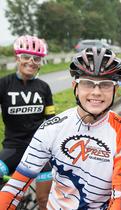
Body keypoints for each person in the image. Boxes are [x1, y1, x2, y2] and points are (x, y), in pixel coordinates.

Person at [0, 47, 121, 209]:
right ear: (75, 86)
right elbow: (14, 187)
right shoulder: (51, 128)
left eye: (105, 85)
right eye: (88, 83)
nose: (96, 92)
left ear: (115, 89)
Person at [0, 35, 55, 210]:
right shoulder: (4, 84)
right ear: (17, 58)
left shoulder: (44, 88)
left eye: (36, 58)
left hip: (40, 149)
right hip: (13, 148)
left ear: (40, 62)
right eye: (26, 57)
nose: (31, 62)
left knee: (44, 200)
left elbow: (51, 121)